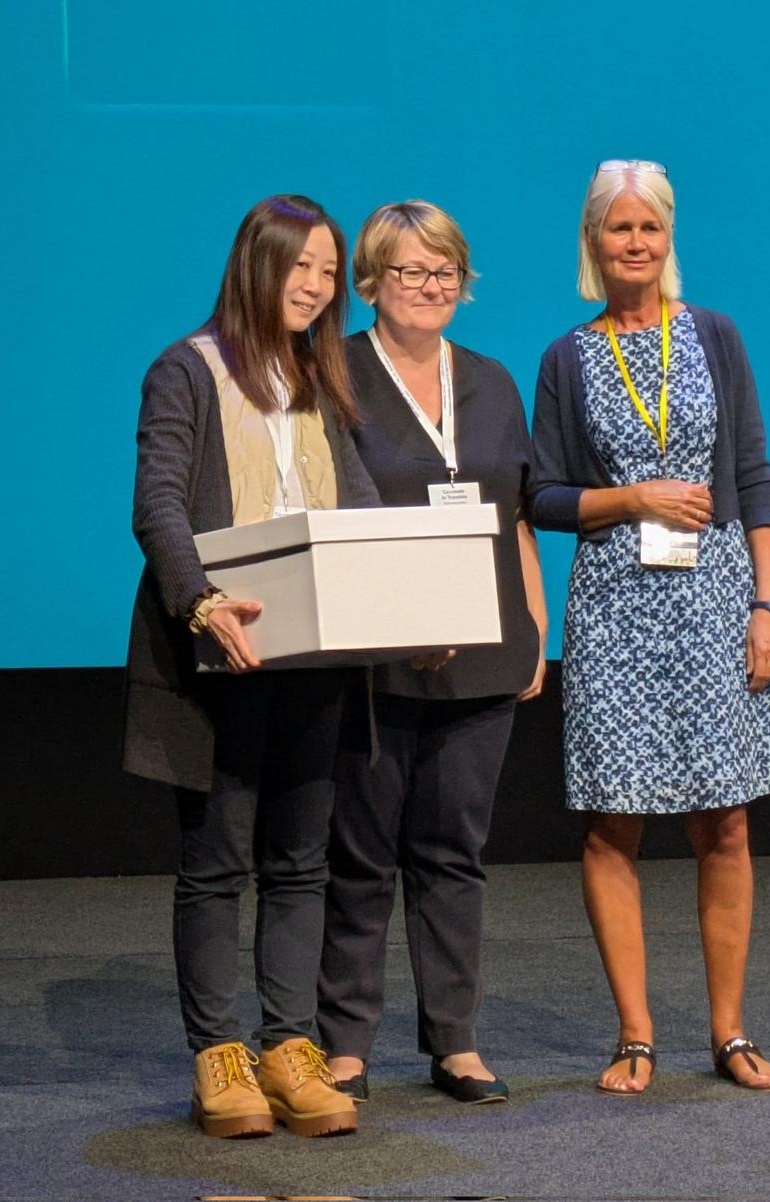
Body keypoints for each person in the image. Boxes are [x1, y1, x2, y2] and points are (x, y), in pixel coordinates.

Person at [528, 161, 770, 1094]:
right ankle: (635, 1036)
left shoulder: (714, 335)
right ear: (593, 241)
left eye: (649, 227)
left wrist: (768, 605)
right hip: (613, 606)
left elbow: (753, 475)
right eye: (619, 228)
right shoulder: (568, 356)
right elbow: (543, 495)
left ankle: (729, 1033)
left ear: (668, 237)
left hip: (716, 598)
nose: (635, 243)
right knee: (615, 823)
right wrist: (632, 497)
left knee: (725, 821)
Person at [124, 194, 380, 1138]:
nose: (315, 286)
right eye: (299, 266)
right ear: (256, 264)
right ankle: (217, 1057)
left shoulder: (320, 378)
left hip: (312, 655)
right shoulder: (186, 370)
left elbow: (357, 508)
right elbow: (158, 503)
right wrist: (200, 600)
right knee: (217, 863)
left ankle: (288, 1048)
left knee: (302, 861)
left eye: (328, 271)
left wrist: (408, 601)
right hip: (217, 653)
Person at [317, 201, 548, 1106]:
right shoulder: (332, 373)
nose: (430, 286)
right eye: (410, 271)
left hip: (485, 651)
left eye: (445, 270)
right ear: (372, 282)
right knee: (362, 854)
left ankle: (455, 1041)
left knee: (454, 852)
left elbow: (515, 513)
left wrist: (536, 629)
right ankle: (345, 1044)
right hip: (374, 658)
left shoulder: (490, 379)